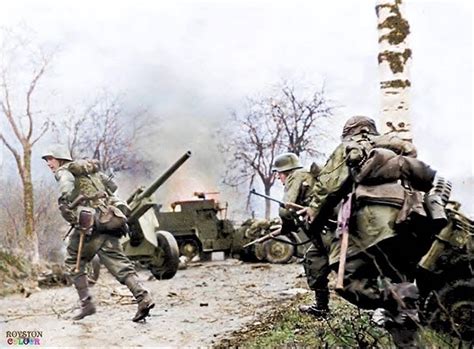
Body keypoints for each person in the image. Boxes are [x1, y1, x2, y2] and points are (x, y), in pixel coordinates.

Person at [300, 116, 450, 347]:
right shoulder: (397, 149)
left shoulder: (352, 147)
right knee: (396, 286)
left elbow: (327, 190)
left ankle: (403, 295)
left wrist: (313, 221)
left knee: (348, 280)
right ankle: (408, 342)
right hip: (410, 225)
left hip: (373, 226)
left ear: (349, 132)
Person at [42, 145, 154, 322]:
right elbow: (113, 186)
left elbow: (66, 191)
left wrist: (67, 202)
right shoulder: (89, 171)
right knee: (120, 263)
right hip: (109, 220)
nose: (48, 163)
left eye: (51, 159)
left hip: (90, 226)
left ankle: (87, 305)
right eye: (47, 160)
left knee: (73, 261)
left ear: (61, 158)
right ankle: (143, 297)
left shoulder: (64, 172)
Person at [272, 152, 331, 318]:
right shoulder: (307, 176)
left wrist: (286, 225)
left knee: (348, 270)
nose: (278, 178)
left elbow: (285, 210)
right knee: (313, 259)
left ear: (285, 172)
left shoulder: (296, 176)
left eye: (278, 174)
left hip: (328, 231)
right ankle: (321, 308)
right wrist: (285, 229)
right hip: (325, 231)